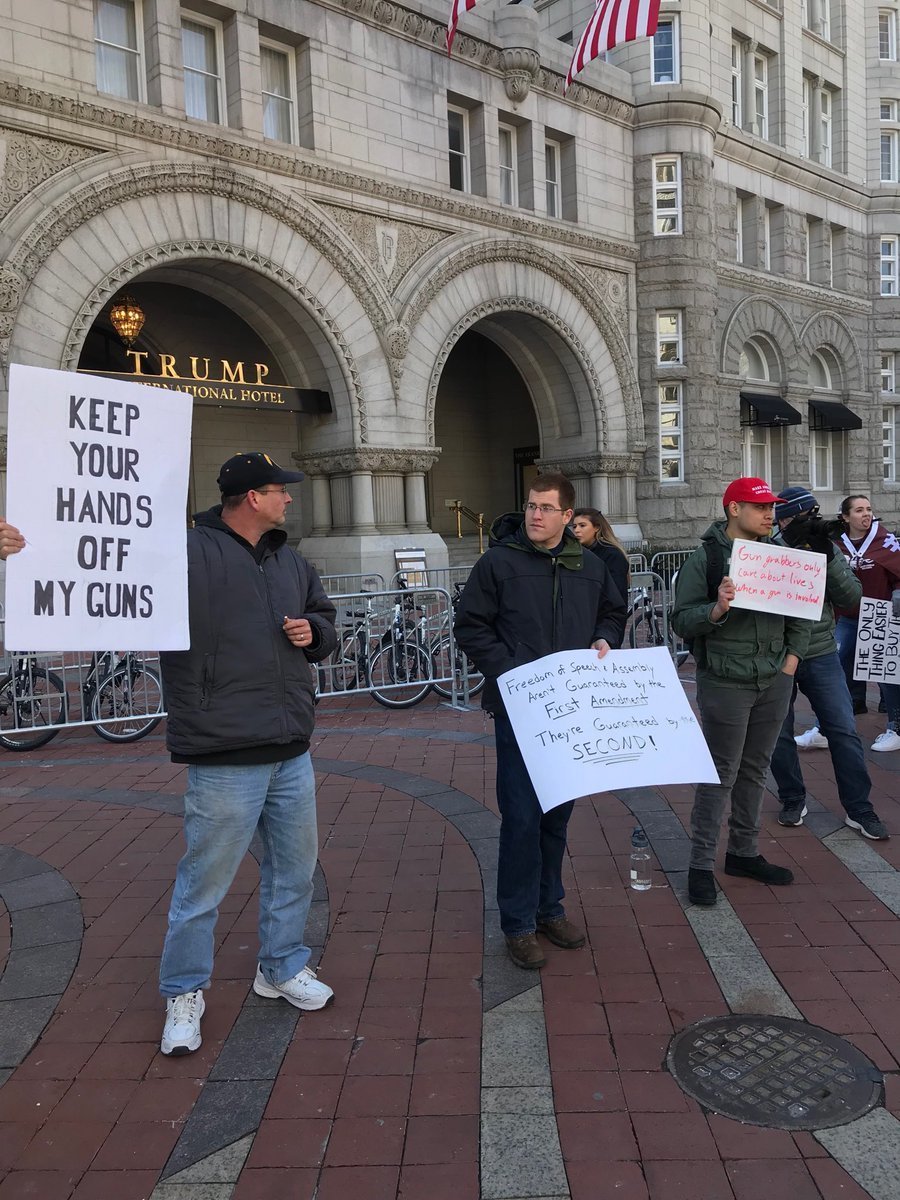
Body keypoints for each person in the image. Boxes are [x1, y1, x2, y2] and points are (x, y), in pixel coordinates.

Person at [157, 452, 337, 1055]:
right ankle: (184, 992)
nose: (289, 498)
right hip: (223, 750)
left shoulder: (290, 558)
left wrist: (316, 632)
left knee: (295, 871)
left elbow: (323, 616)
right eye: (280, 490)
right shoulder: (181, 552)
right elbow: (104, 579)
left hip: (291, 746)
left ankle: (281, 967)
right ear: (252, 497)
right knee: (203, 884)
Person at [454, 473, 627, 969]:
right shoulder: (498, 563)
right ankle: (518, 923)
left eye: (547, 508)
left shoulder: (590, 566)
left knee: (557, 815)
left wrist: (603, 638)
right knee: (523, 817)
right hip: (519, 710)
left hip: (571, 711)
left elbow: (613, 613)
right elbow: (470, 625)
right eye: (531, 506)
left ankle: (550, 907)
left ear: (568, 516)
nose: (535, 515)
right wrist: (510, 672)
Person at [672, 477, 810, 907]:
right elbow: (681, 619)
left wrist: (790, 664)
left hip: (773, 679)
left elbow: (803, 613)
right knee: (719, 774)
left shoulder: (782, 555)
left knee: (755, 769)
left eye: (772, 507)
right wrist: (716, 608)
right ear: (734, 509)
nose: (770, 514)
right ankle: (699, 865)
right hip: (725, 681)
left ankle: (743, 853)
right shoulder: (707, 557)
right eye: (759, 507)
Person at [768, 489, 888, 840]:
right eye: (802, 515)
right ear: (786, 519)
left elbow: (851, 597)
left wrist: (828, 558)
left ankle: (859, 807)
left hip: (820, 651)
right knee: (778, 732)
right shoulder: (766, 550)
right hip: (777, 653)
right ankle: (792, 798)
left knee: (843, 729)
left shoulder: (827, 547)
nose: (809, 521)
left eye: (813, 514)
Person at [833, 495, 900, 752]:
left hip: (878, 616)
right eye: (859, 510)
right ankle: (826, 725)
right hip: (847, 618)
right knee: (833, 668)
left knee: (885, 675)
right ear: (845, 517)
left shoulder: (885, 541)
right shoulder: (836, 544)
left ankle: (896, 727)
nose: (866, 514)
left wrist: (897, 592)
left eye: (869, 509)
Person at [571, 507, 630, 602]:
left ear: (597, 527)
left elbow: (616, 595)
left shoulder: (612, 555)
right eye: (574, 526)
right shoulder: (576, 553)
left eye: (582, 525)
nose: (576, 530)